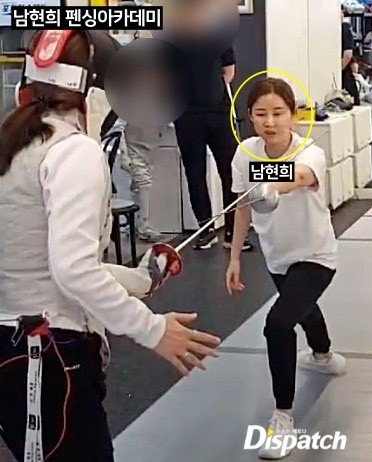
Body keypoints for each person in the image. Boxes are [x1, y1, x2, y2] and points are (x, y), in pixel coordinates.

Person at [0, 30, 221, 462]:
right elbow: (72, 270)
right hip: (48, 353)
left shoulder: (18, 141)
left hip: (18, 346)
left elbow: (49, 259)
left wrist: (140, 278)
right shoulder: (73, 152)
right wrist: (153, 329)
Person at [226, 78, 347, 460]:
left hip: (316, 255)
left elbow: (302, 177)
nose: (270, 122)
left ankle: (282, 418)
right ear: (250, 117)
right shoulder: (245, 153)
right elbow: (243, 207)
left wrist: (271, 187)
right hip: (277, 255)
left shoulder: (310, 151)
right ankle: (323, 355)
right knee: (302, 308)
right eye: (261, 114)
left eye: (278, 113)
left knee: (278, 323)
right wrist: (234, 257)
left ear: (293, 115)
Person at [174, 45, 254, 251]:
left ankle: (232, 232)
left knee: (230, 171)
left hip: (219, 111)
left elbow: (229, 72)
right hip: (186, 114)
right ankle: (206, 230)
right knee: (195, 173)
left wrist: (210, 91)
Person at [341, 9, 360, 105]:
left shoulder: (344, 28)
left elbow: (348, 54)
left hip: (344, 75)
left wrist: (339, 69)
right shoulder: (344, 28)